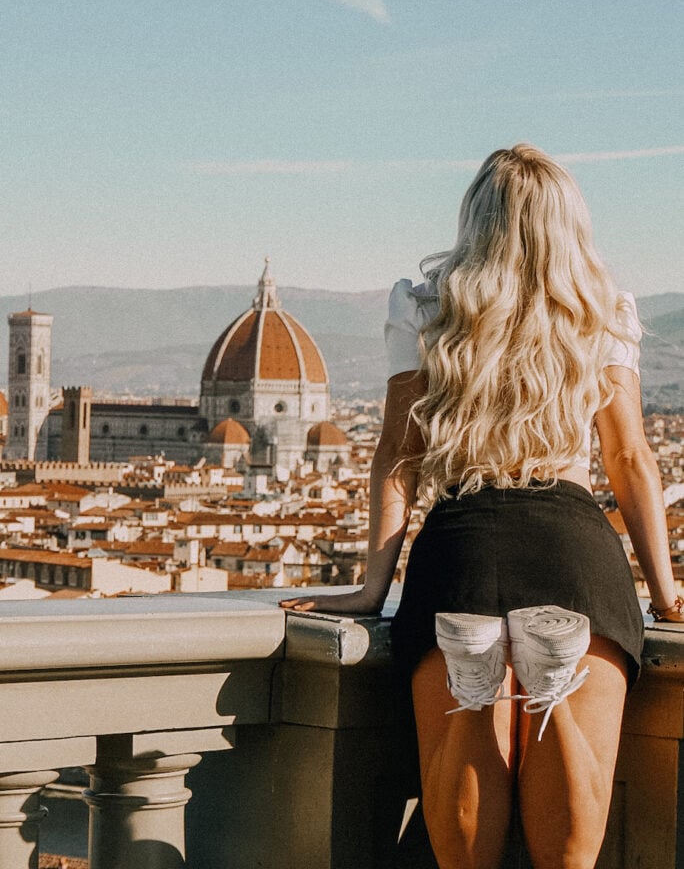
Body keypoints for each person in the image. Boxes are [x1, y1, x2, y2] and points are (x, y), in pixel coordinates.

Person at [280, 144, 682, 869]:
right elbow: (629, 461)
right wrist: (666, 592)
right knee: (570, 854)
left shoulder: (428, 305)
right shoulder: (602, 310)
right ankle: (551, 689)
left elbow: (397, 456)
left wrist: (373, 587)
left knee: (463, 848)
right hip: (573, 547)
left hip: (462, 543)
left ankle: (477, 686)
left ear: (476, 220)